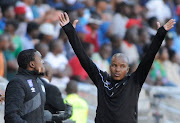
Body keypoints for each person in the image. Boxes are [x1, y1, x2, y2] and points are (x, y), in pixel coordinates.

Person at [59, 12, 175, 123]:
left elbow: (149, 57)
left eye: (122, 66)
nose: (117, 69)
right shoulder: (102, 79)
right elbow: (84, 58)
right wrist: (70, 31)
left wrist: (161, 34)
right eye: (114, 65)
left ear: (127, 69)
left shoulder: (134, 81)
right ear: (110, 67)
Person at [5, 49, 46, 123]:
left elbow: (36, 113)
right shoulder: (17, 83)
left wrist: (55, 117)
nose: (43, 62)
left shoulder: (39, 82)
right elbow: (11, 116)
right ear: (32, 64)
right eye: (40, 59)